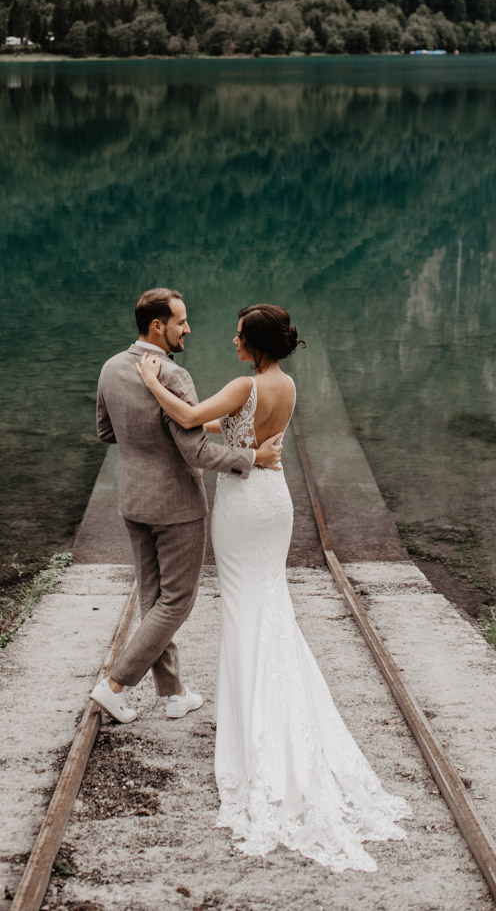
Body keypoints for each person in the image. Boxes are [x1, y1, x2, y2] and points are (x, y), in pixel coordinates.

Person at [137, 302, 411, 873]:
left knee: (243, 608)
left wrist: (149, 381)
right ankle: (272, 710)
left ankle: (251, 730)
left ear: (255, 344)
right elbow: (224, 424)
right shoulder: (282, 385)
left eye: (239, 334)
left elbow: (189, 418)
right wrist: (201, 420)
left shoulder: (243, 384)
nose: (232, 339)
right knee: (270, 604)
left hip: (242, 505)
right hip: (275, 500)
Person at [90, 288, 284, 725]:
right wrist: (253, 459)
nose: (188, 328)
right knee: (176, 602)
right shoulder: (174, 378)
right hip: (176, 506)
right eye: (181, 321)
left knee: (153, 599)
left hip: (133, 501)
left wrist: (145, 444)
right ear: (158, 326)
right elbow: (198, 454)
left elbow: (105, 433)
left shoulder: (110, 368)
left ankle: (174, 692)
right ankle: (115, 684)